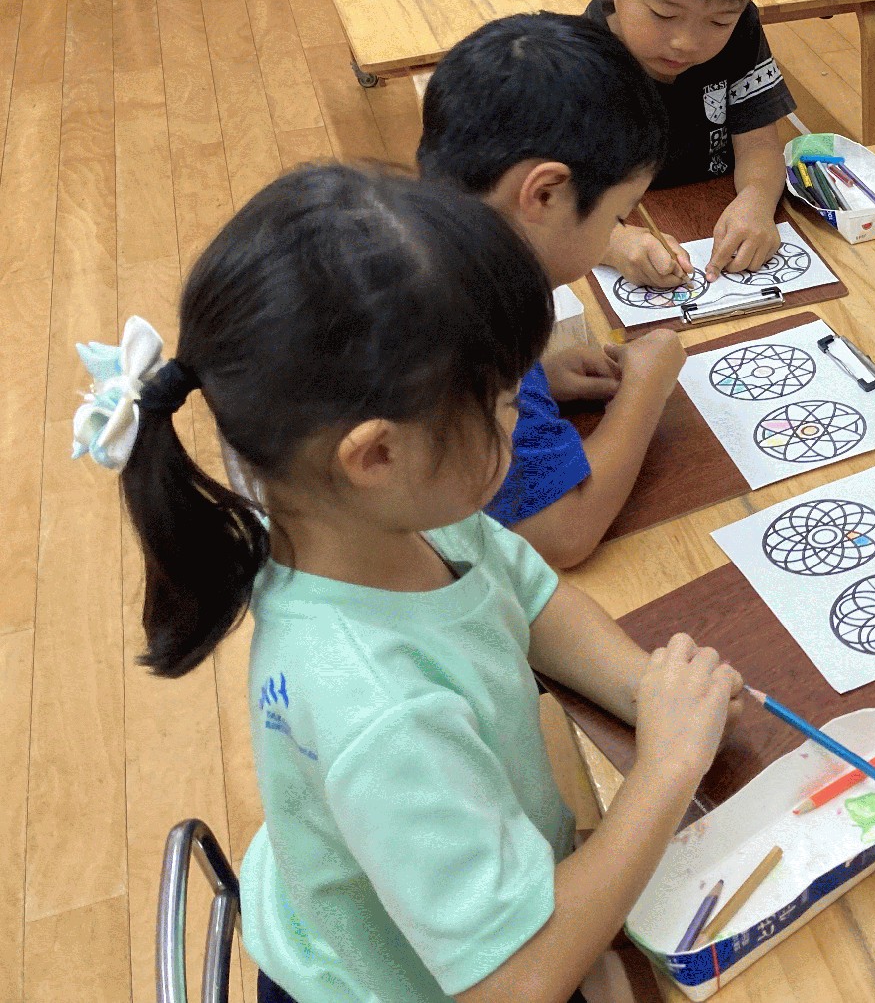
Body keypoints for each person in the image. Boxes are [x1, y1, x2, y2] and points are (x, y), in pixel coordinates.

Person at [90, 163, 741, 1003]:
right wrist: (665, 771)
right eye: (502, 402)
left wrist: (647, 689)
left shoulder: (372, 519)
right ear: (377, 455)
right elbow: (511, 985)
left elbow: (528, 595)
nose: (523, 414)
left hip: (453, 911)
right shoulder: (381, 710)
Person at [418, 12, 686, 569]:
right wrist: (644, 390)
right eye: (616, 216)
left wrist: (538, 379)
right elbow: (562, 534)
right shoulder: (475, 327)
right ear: (545, 195)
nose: (615, 231)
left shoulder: (422, 237)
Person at [585, 0, 794, 287]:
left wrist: (757, 200)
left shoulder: (742, 31)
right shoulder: (579, 60)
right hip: (620, 238)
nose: (686, 43)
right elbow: (546, 207)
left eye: (719, 20)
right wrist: (613, 243)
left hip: (710, 216)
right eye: (664, 14)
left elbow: (759, 145)